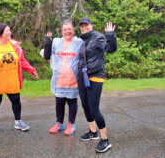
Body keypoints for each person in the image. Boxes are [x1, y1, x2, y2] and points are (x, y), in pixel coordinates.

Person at [0, 23, 38, 134]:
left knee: (16, 101)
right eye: (7, 31)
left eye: (9, 30)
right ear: (0, 33)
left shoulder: (15, 46)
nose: (10, 33)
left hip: (12, 80)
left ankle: (18, 122)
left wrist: (31, 70)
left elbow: (22, 61)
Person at [77, 17, 118, 153]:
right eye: (81, 26)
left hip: (95, 76)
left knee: (94, 109)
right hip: (83, 77)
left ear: (91, 25)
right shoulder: (84, 41)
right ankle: (93, 132)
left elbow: (111, 49)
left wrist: (110, 35)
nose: (84, 28)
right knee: (86, 106)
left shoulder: (98, 37)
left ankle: (105, 139)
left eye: (86, 25)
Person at [43, 20, 83, 135]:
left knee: (72, 102)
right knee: (59, 102)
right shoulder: (56, 42)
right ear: (61, 32)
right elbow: (47, 55)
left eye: (69, 29)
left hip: (73, 79)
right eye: (65, 30)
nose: (67, 31)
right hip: (59, 79)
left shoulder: (79, 42)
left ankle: (71, 124)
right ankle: (59, 123)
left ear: (73, 31)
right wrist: (47, 42)